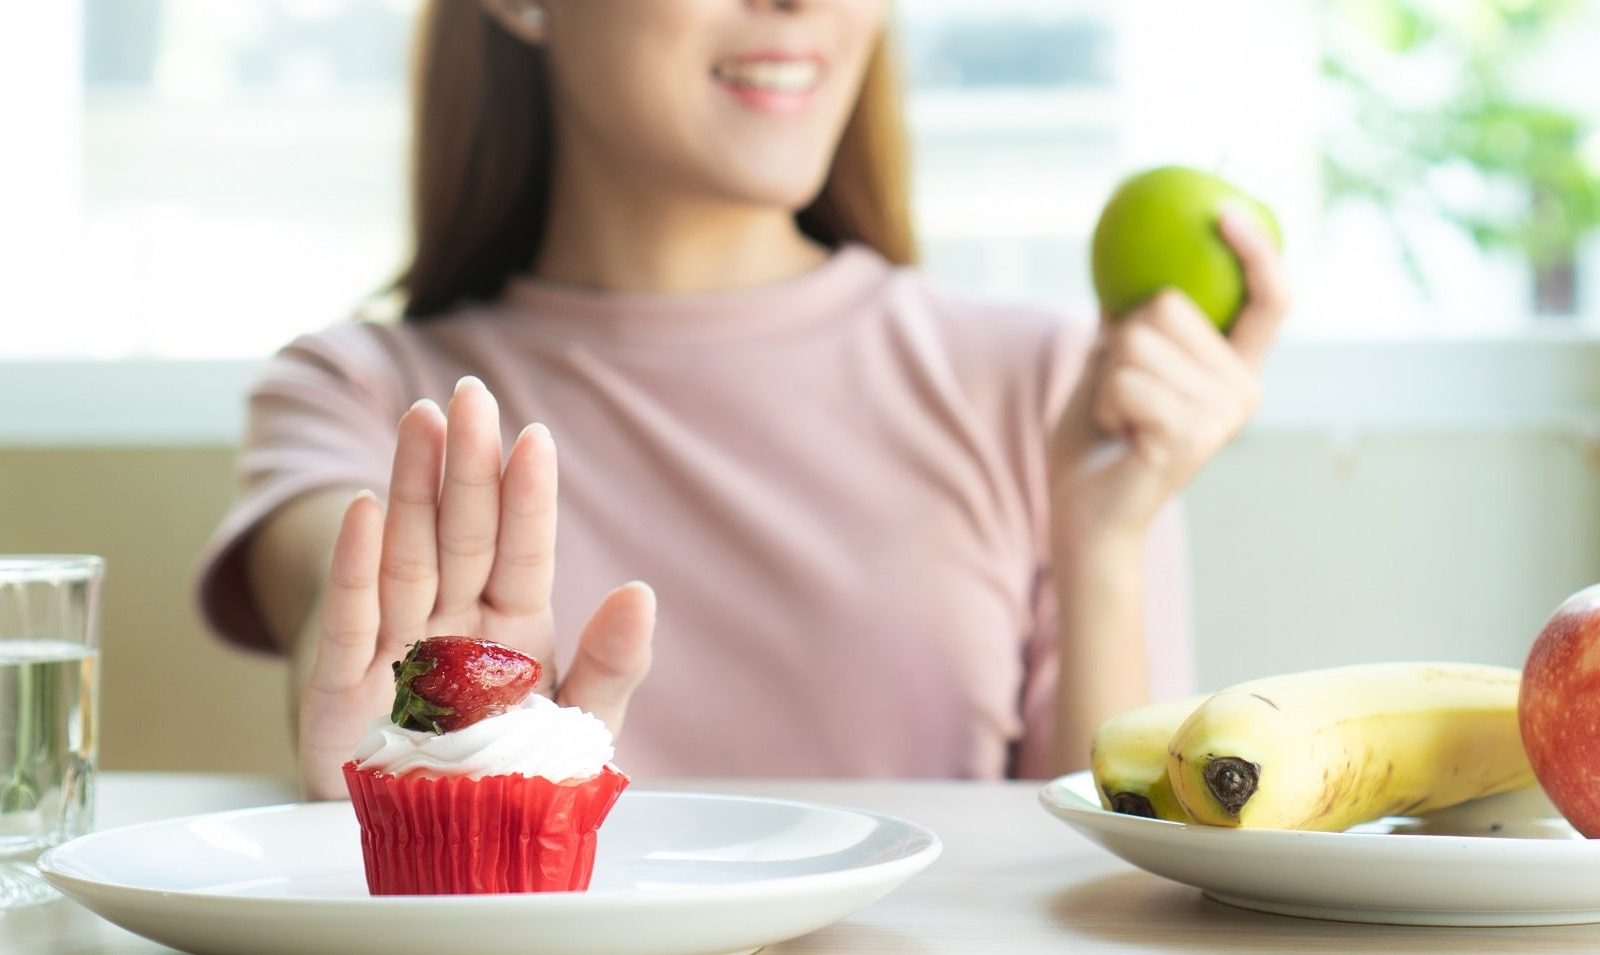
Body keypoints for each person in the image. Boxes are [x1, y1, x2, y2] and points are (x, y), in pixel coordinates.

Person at [195, 0, 1289, 800]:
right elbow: (341, 668)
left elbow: (1098, 884)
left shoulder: (1051, 388)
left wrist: (1103, 540)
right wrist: (399, 758)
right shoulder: (359, 393)